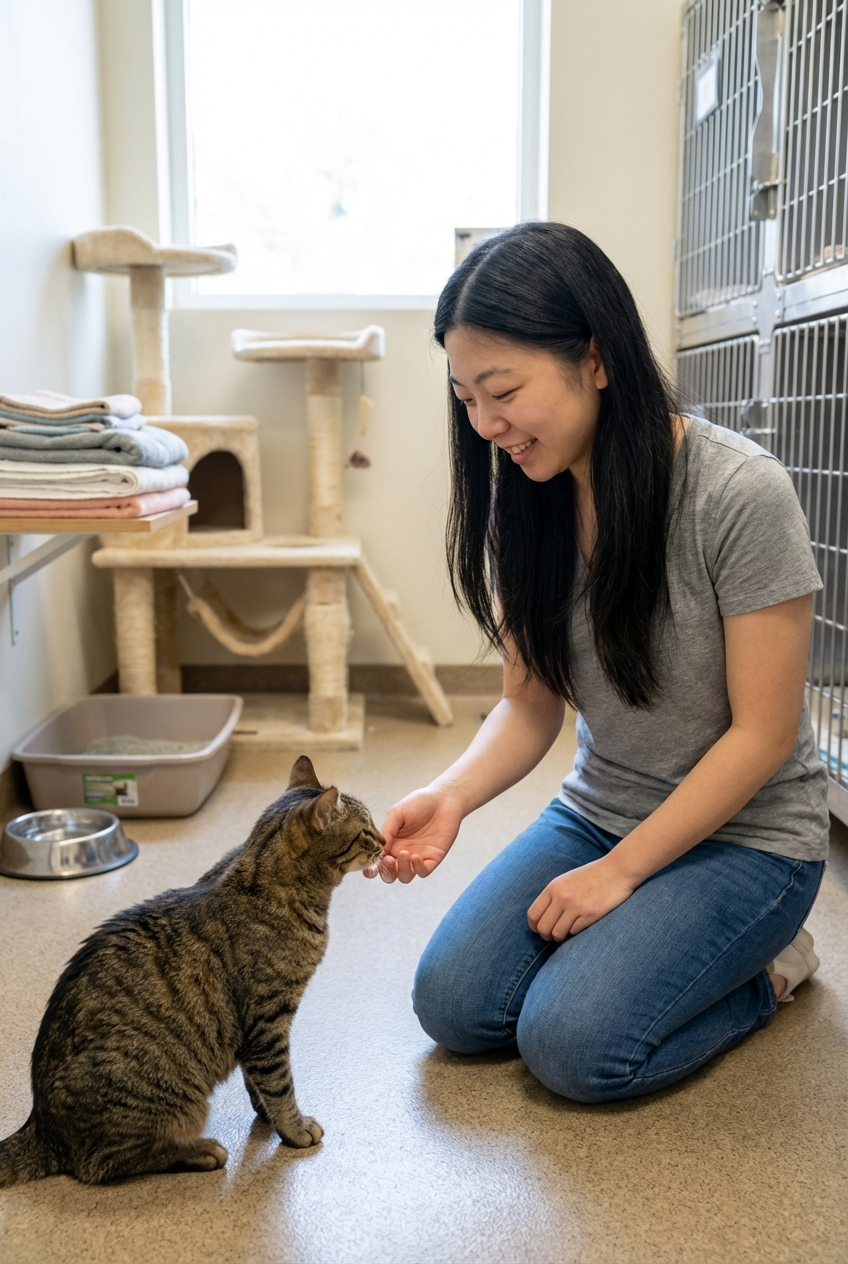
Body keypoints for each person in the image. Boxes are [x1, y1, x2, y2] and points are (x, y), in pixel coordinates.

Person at [366, 222, 828, 1103]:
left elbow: (764, 737)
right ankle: (644, 953)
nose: (485, 424)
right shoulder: (526, 501)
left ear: (596, 360)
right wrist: (451, 795)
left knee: (572, 1047)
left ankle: (772, 971)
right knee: (454, 1005)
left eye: (502, 391)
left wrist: (620, 875)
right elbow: (529, 705)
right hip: (602, 807)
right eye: (465, 397)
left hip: (751, 839)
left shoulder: (738, 493)